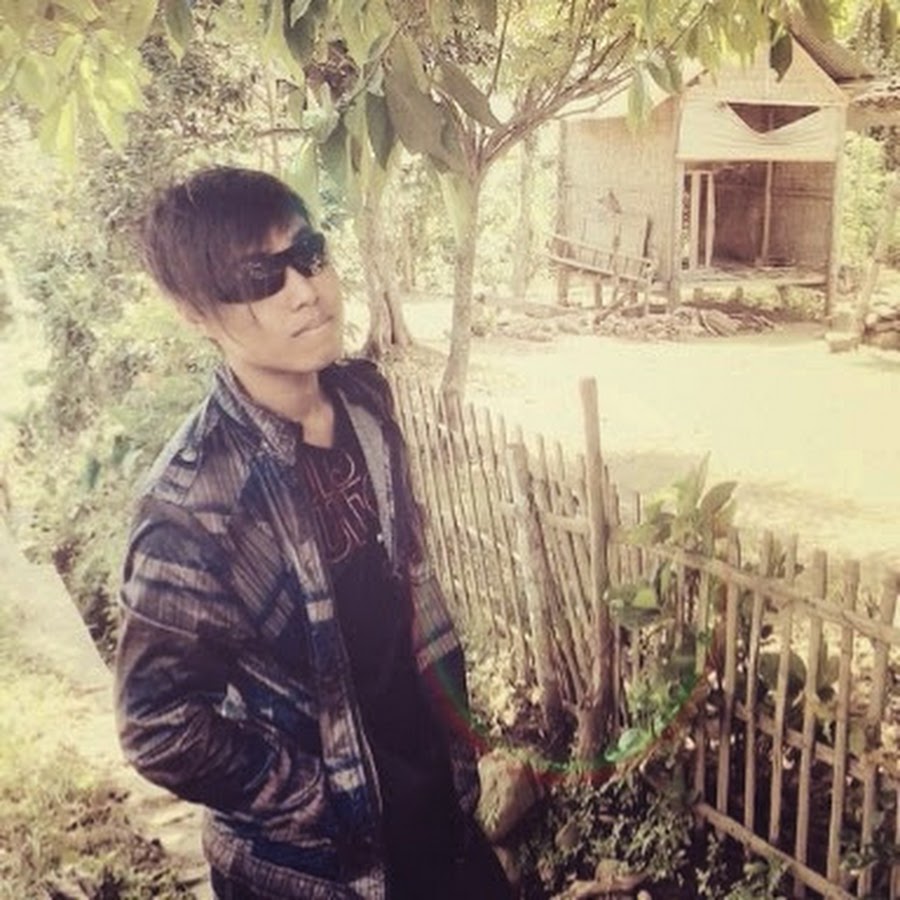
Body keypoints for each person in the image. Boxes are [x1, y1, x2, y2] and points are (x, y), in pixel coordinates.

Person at [114, 167, 512, 900]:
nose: (305, 290)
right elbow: (157, 726)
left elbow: (403, 590)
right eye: (260, 278)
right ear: (194, 312)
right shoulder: (192, 506)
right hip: (312, 870)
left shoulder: (365, 403)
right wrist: (319, 800)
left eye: (309, 255)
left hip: (438, 814)